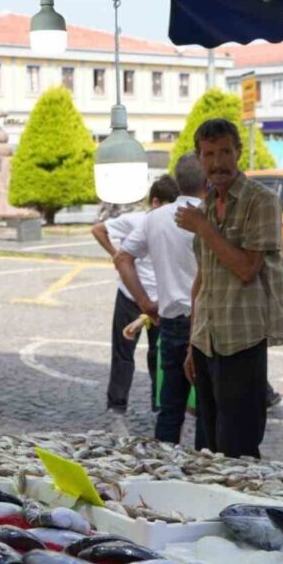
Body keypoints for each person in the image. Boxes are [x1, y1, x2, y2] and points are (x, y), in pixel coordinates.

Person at [176, 118, 283, 459]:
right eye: (209, 154)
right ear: (199, 159)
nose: (218, 162)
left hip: (242, 341)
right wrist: (191, 343)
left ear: (238, 152)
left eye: (225, 151)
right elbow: (203, 279)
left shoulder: (261, 200)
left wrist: (203, 228)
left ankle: (244, 510)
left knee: (237, 450)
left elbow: (246, 268)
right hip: (206, 341)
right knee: (207, 448)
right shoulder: (207, 205)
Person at [116, 154, 208, 448]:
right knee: (207, 409)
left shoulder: (156, 218)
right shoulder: (212, 215)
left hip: (171, 322)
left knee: (170, 409)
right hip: (207, 322)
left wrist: (144, 301)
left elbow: (123, 258)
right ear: (207, 180)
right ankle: (206, 470)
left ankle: (163, 466)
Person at [90, 179, 172, 415]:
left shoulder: (173, 223)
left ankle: (160, 404)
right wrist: (117, 256)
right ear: (155, 202)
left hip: (160, 300)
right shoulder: (136, 220)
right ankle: (116, 404)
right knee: (123, 352)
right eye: (166, 206)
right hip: (130, 296)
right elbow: (98, 229)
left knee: (159, 354)